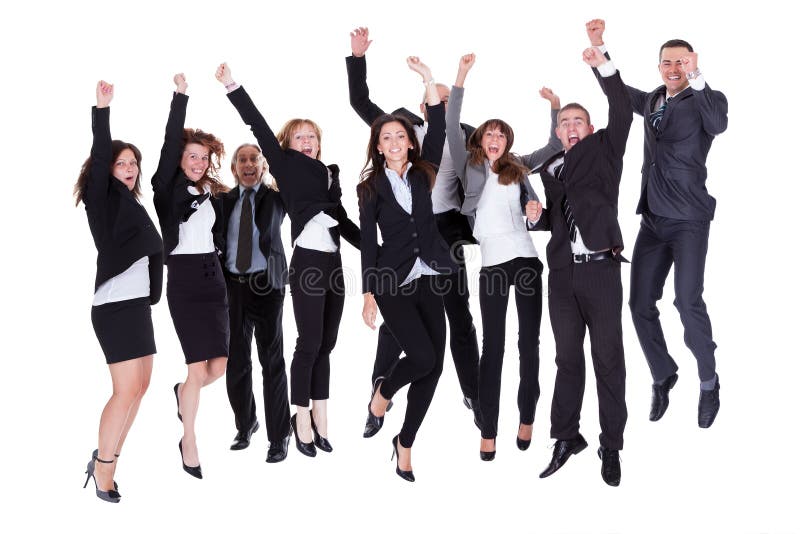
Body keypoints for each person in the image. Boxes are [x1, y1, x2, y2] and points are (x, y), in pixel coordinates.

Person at [585, 19, 728, 428]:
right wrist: (600, 51)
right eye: (667, 61)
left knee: (687, 301)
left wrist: (698, 75)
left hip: (688, 221)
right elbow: (618, 94)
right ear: (659, 66)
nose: (673, 67)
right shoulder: (651, 101)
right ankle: (664, 374)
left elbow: (718, 124)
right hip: (652, 219)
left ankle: (708, 382)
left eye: (681, 62)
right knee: (639, 304)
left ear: (691, 65)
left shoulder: (707, 100)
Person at [216, 63, 360, 458]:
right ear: (289, 144)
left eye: (312, 135)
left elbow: (344, 221)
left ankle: (322, 416)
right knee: (308, 343)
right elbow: (257, 124)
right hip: (308, 263)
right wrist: (233, 85)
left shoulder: (329, 175)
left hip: (333, 263)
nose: (307, 140)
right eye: (300, 136)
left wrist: (380, 250)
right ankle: (300, 420)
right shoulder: (285, 165)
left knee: (327, 344)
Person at [347, 28, 481, 430]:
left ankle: (472, 391)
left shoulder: (464, 136)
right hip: (398, 239)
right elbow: (360, 102)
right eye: (431, 96)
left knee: (459, 313)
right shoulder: (397, 133)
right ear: (423, 104)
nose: (436, 100)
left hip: (446, 234)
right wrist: (357, 59)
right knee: (398, 319)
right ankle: (380, 387)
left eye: (442, 96)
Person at [445, 53, 562, 460]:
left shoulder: (518, 168)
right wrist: (461, 76)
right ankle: (488, 426)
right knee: (491, 348)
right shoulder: (469, 167)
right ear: (480, 140)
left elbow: (553, 145)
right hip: (492, 267)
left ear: (507, 142)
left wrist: (555, 108)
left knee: (529, 344)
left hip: (526, 262)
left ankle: (527, 417)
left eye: (501, 135)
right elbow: (450, 122)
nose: (495, 140)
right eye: (488, 134)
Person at [534, 36, 632, 486]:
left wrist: (602, 62)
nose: (572, 126)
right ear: (557, 131)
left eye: (579, 121)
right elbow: (556, 218)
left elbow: (621, 110)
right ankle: (565, 437)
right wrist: (535, 216)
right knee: (567, 359)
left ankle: (610, 445)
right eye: (565, 122)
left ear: (589, 129)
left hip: (601, 271)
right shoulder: (552, 169)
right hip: (562, 275)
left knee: (608, 358)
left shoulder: (605, 151)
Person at [358, 56, 454, 482]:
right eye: (387, 137)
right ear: (378, 146)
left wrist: (428, 78)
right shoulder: (369, 187)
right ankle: (382, 395)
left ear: (410, 142)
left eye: (400, 135)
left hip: (431, 275)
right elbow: (367, 241)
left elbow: (437, 120)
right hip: (392, 280)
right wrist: (368, 293)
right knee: (422, 356)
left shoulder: (424, 171)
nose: (395, 141)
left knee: (433, 364)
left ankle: (406, 443)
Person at [75, 80, 164, 502]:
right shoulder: (102, 199)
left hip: (136, 306)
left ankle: (109, 457)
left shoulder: (133, 203)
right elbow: (98, 158)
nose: (129, 169)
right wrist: (102, 111)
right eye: (121, 163)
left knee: (142, 385)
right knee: (125, 388)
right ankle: (103, 469)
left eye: (133, 164)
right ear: (107, 170)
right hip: (114, 305)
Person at [152, 73, 230, 479]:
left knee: (218, 367)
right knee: (197, 369)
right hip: (183, 279)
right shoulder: (167, 189)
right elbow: (168, 144)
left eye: (203, 158)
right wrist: (179, 96)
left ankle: (184, 396)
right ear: (180, 161)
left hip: (212, 278)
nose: (198, 163)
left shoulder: (210, 193)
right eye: (191, 157)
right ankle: (190, 439)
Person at [219, 142, 291, 462]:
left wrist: (274, 162)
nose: (248, 164)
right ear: (234, 167)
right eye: (242, 160)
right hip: (233, 288)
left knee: (271, 363)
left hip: (268, 287)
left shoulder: (276, 198)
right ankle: (246, 423)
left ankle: (279, 437)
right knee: (235, 363)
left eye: (254, 159)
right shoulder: (224, 201)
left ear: (263, 166)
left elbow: (294, 183)